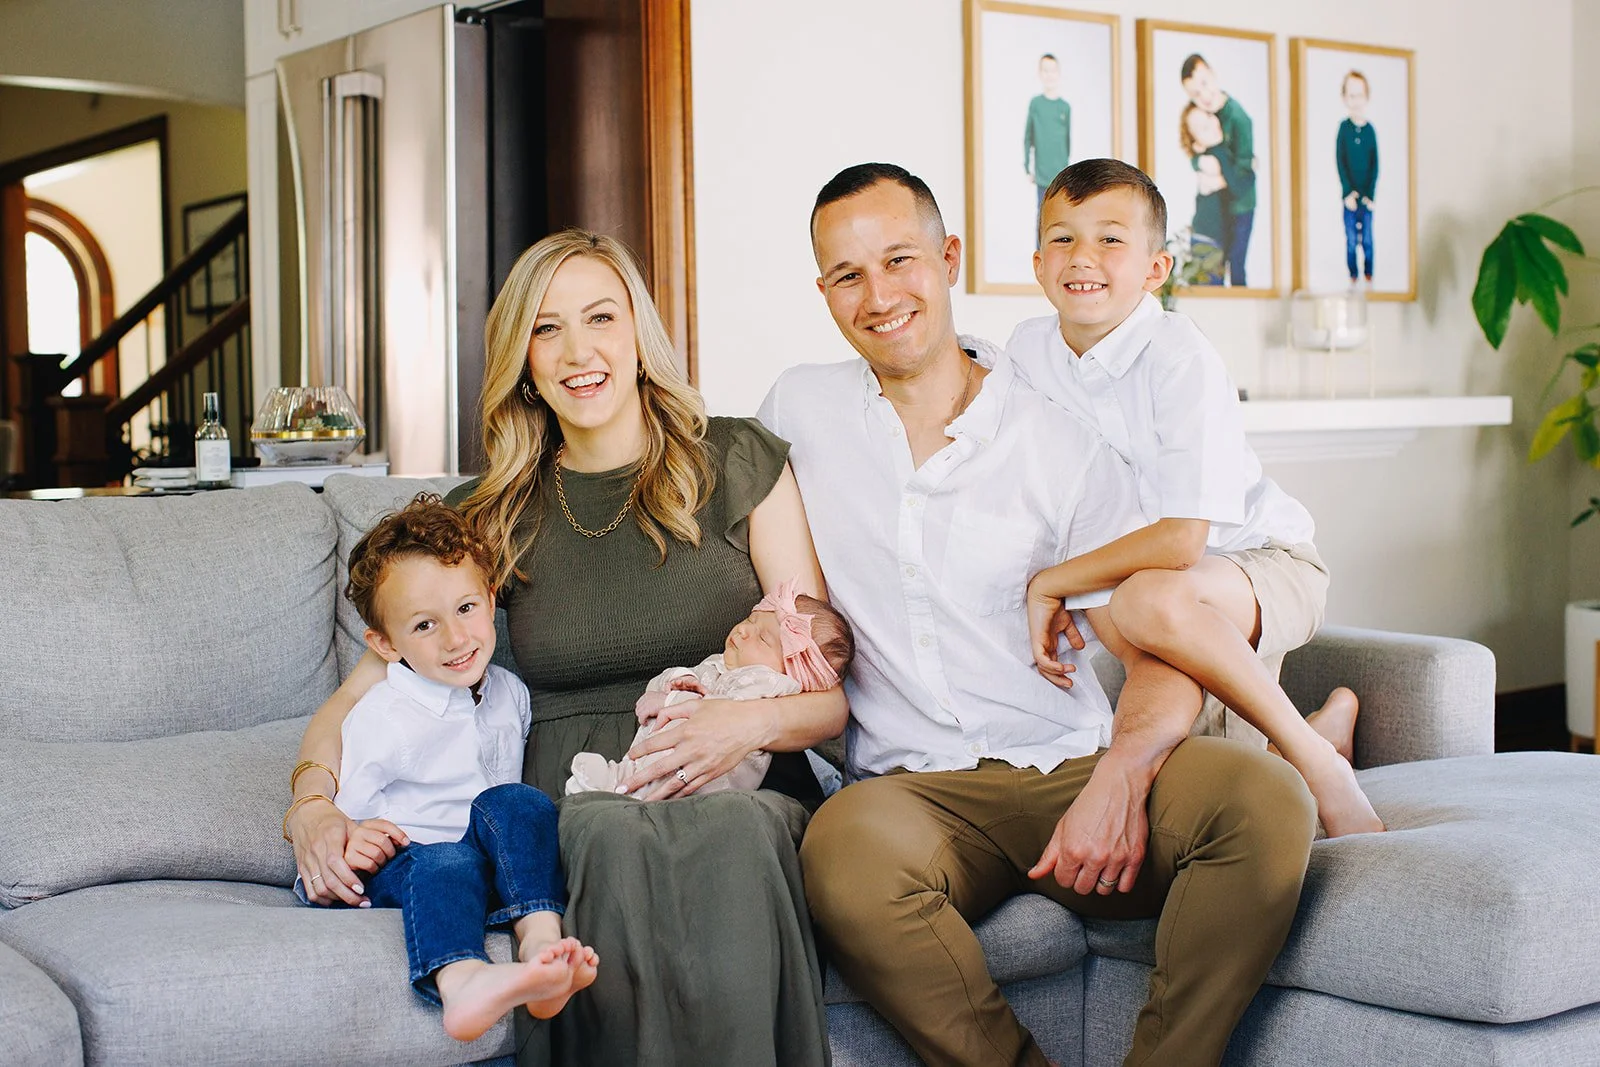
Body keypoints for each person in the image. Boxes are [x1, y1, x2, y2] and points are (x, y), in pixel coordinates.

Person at [764, 161, 1319, 1067]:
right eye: (847, 275)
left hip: (1069, 762)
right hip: (911, 793)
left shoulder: (1060, 439)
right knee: (843, 855)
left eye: (900, 260)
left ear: (948, 257)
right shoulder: (799, 408)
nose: (879, 295)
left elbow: (1148, 645)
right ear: (823, 290)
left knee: (1260, 800)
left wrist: (1123, 780)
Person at [285, 229, 843, 1067]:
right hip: (577, 792)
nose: (578, 351)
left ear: (638, 336)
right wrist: (311, 807)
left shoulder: (737, 458)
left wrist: (743, 726)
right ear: (523, 357)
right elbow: (358, 697)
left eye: (600, 317)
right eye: (547, 329)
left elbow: (827, 692)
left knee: (731, 829)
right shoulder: (480, 514)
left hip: (740, 770)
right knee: (605, 835)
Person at [1012, 157, 1383, 837]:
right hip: (1148, 580)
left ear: (1157, 269)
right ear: (1037, 263)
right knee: (1181, 730)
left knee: (1148, 599)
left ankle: (1316, 763)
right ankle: (1306, 737)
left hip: (1264, 563)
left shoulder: (1178, 355)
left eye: (1111, 239)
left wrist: (1052, 581)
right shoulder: (1028, 351)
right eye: (1062, 238)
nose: (1082, 257)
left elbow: (1184, 539)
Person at [295, 493, 598, 1042]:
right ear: (384, 644)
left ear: (489, 598)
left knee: (521, 803)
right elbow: (343, 816)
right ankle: (464, 984)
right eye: (424, 626)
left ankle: (540, 947)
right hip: (414, 864)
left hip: (486, 865)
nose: (457, 639)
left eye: (465, 609)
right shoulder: (384, 716)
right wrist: (353, 837)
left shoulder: (510, 693)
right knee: (447, 861)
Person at [565, 580, 854, 796]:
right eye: (751, 620)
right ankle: (620, 782)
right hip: (668, 754)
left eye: (763, 639)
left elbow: (721, 710)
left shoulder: (769, 683)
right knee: (650, 766)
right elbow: (680, 685)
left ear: (793, 672)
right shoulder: (721, 664)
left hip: (710, 781)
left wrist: (674, 700)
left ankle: (624, 790)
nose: (743, 630)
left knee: (672, 779)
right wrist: (674, 683)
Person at [1180, 53, 1256, 286]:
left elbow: (1243, 176)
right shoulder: (1201, 114)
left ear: (1213, 74)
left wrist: (1222, 177)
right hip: (1218, 209)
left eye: (1204, 84)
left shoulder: (1238, 118)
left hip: (1240, 202)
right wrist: (1199, 163)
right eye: (1195, 93)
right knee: (1216, 263)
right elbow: (1196, 149)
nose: (1203, 96)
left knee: (1236, 259)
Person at [1337, 70, 1378, 285]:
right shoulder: (1344, 130)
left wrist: (1370, 195)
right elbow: (1340, 162)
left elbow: (1375, 166)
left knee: (1368, 239)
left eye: (1359, 95)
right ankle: (1353, 275)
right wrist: (1347, 192)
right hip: (1350, 198)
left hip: (1366, 198)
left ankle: (1369, 273)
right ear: (1345, 98)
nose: (1356, 101)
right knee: (1352, 240)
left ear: (1367, 97)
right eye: (1351, 96)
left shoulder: (1370, 131)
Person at [1024, 53, 1072, 226]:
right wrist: (1026, 166)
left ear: (1058, 73)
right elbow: (1028, 136)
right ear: (1040, 73)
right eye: (1045, 70)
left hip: (1061, 172)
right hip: (1042, 173)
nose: (1049, 75)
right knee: (1042, 212)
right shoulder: (1036, 104)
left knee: (1062, 214)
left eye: (1052, 70)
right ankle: (1041, 249)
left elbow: (1067, 141)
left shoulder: (1064, 107)